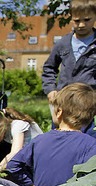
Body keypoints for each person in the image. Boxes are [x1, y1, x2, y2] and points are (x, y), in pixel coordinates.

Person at [6, 83, 96, 186]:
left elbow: (13, 165)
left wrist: (30, 185)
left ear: (59, 112)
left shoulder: (40, 140)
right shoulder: (90, 144)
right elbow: (91, 177)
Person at [42, 0, 96, 130]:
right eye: (77, 21)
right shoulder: (63, 43)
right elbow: (49, 68)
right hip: (64, 105)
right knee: (59, 142)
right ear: (71, 19)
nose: (81, 24)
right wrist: (50, 90)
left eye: (87, 19)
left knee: (88, 144)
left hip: (89, 106)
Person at [0, 107, 43, 172]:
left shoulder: (17, 126)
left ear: (0, 128)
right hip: (30, 154)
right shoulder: (6, 130)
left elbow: (16, 152)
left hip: (40, 154)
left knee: (12, 165)